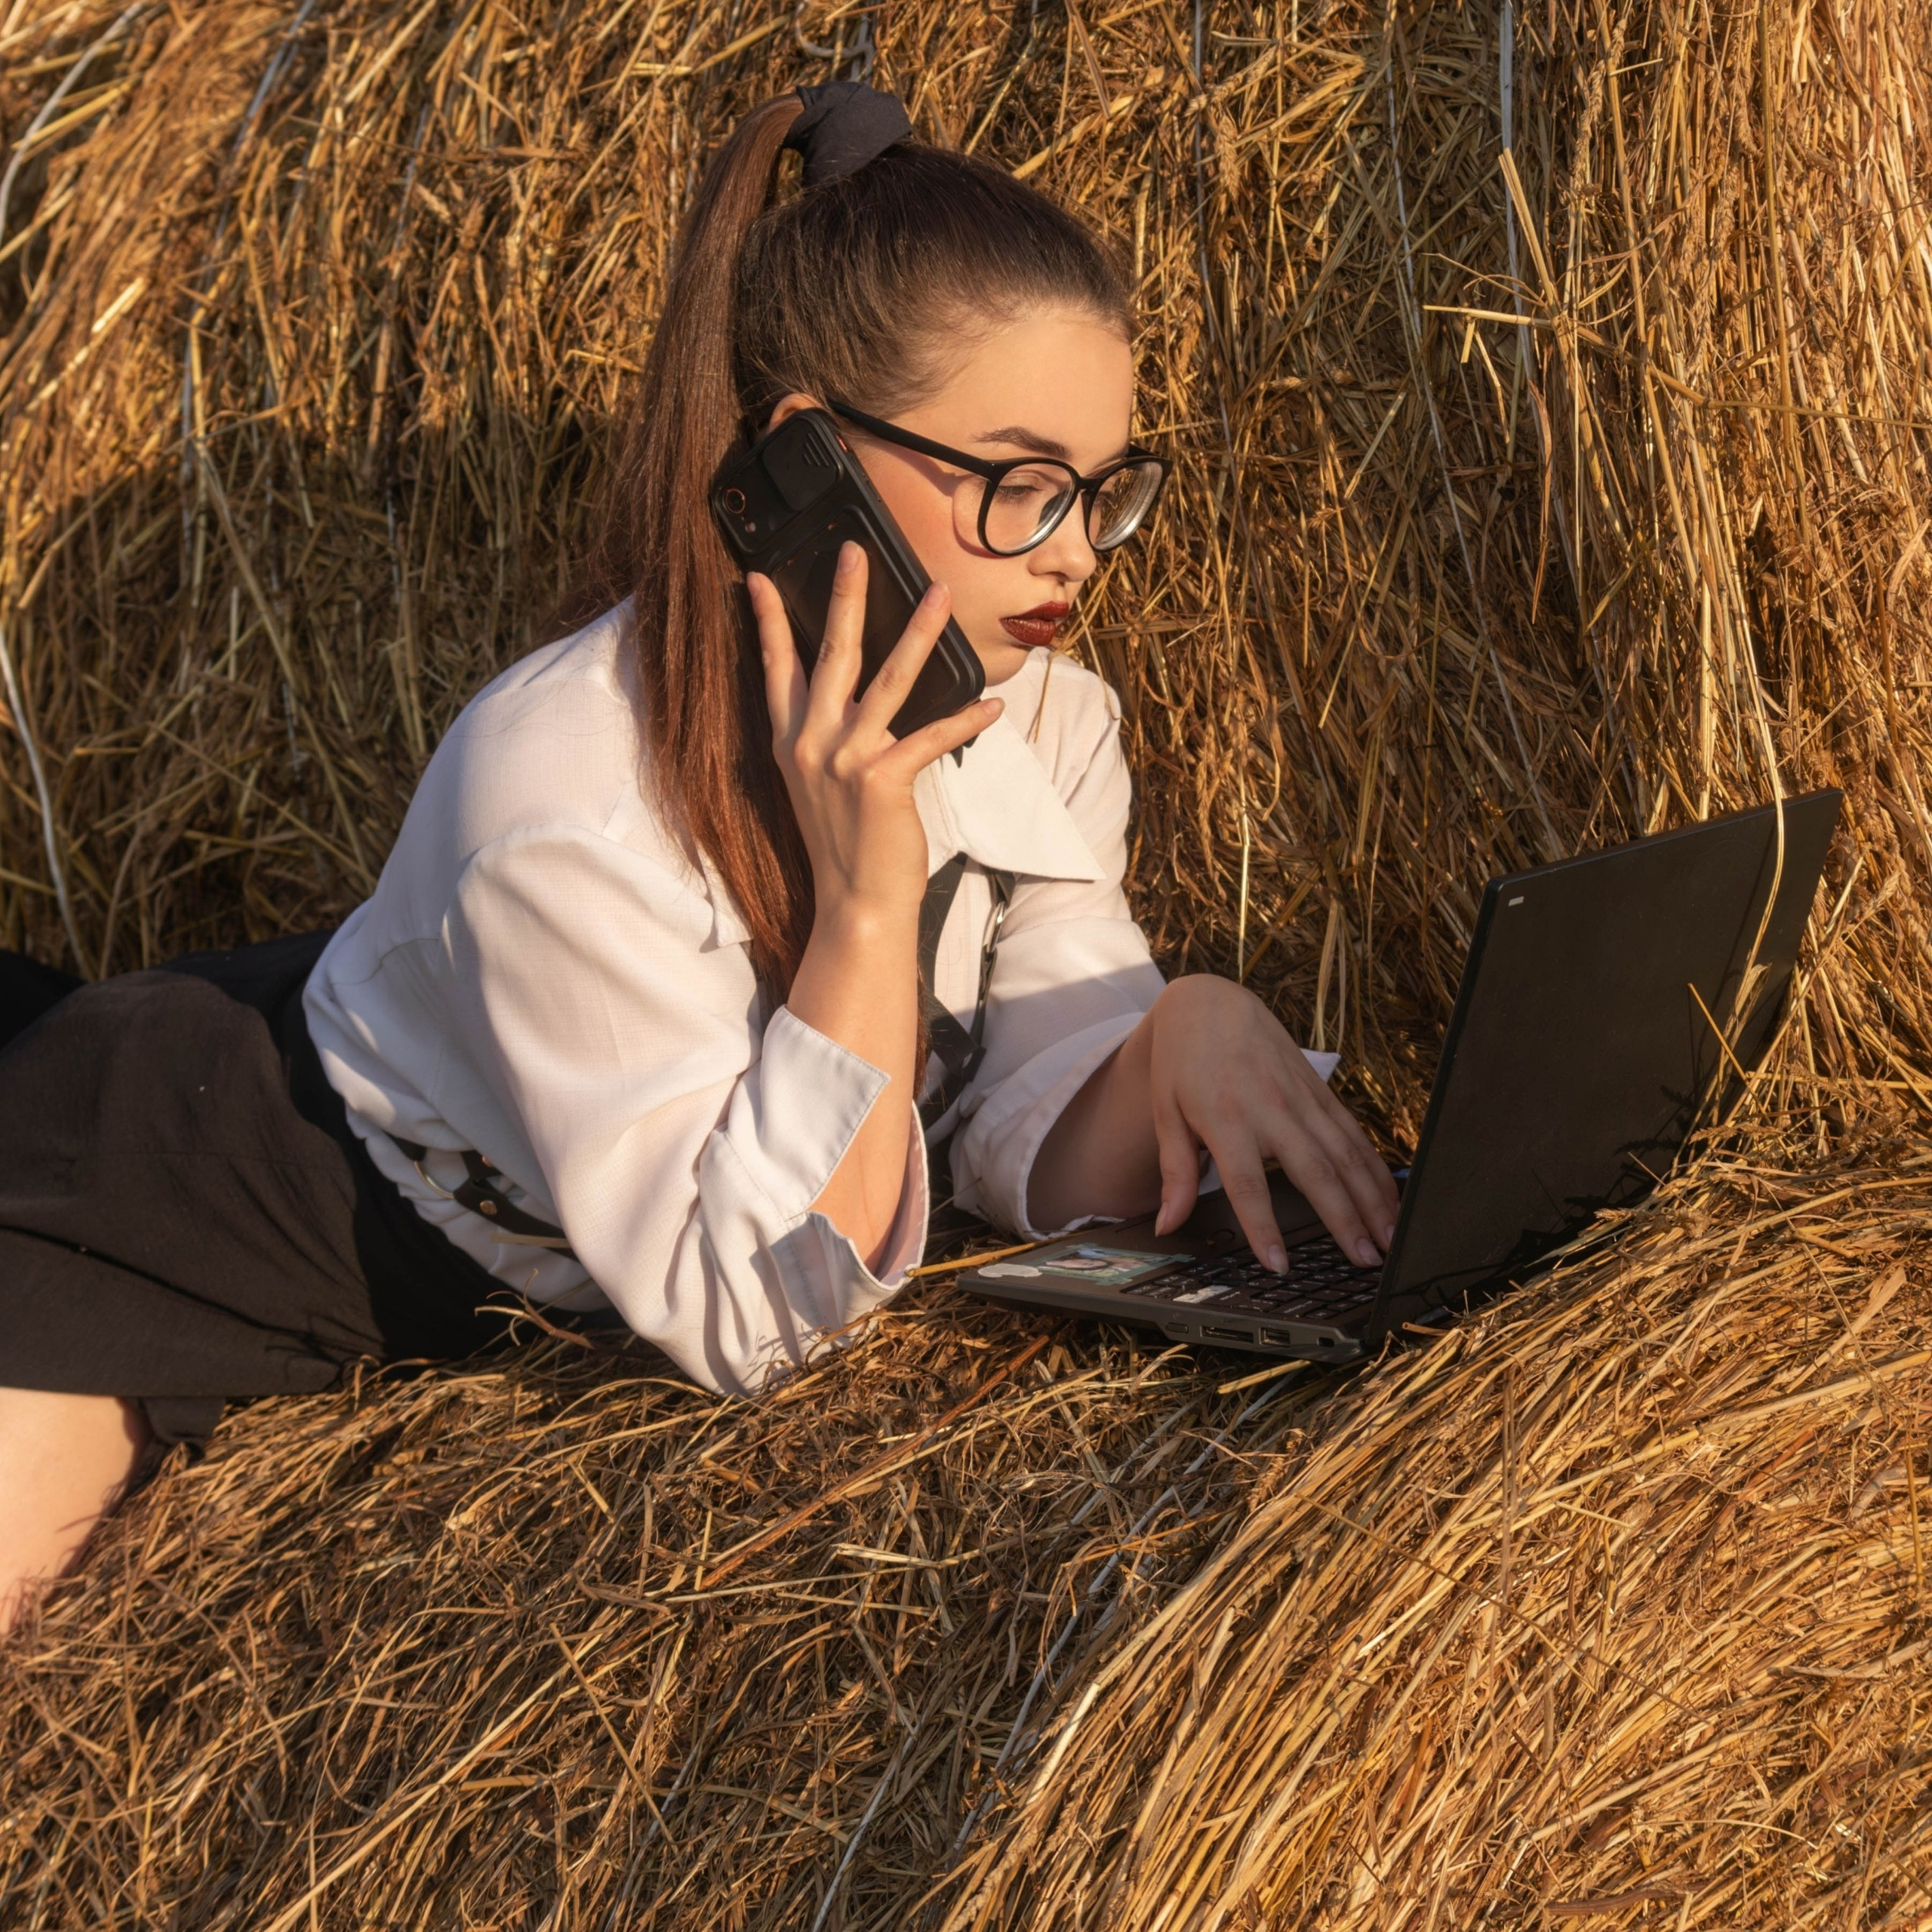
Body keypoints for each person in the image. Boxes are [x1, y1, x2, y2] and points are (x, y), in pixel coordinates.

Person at [0, 83, 1398, 1632]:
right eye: (1018, 483)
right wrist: (866, 900)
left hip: (520, 1252)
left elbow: (1014, 1127)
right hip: (217, 1202)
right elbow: (763, 1314)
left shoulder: (1048, 724)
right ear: (811, 464)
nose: (1072, 548)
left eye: (1100, 488)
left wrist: (1172, 1030)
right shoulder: (556, 790)